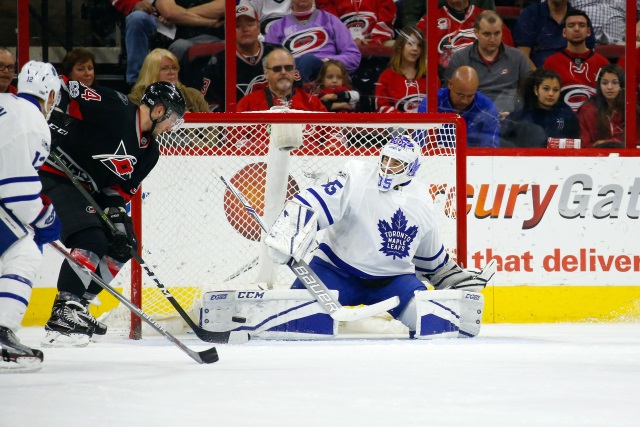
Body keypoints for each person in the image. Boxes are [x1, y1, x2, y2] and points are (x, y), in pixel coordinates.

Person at [262, 136, 494, 338]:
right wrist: (291, 227)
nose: (387, 167)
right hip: (334, 272)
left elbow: (430, 259)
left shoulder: (422, 201)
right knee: (295, 325)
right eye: (385, 159)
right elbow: (319, 199)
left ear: (410, 168)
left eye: (396, 163)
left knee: (432, 322)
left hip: (393, 281)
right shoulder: (357, 176)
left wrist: (451, 278)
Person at [40, 81, 186, 347]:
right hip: (54, 173)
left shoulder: (150, 152)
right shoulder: (117, 107)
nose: (171, 126)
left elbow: (119, 191)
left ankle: (78, 306)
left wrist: (118, 215)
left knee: (124, 245)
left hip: (88, 189)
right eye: (173, 119)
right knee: (91, 238)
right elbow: (65, 88)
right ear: (159, 110)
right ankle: (64, 308)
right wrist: (46, 121)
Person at [0, 61, 62, 372]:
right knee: (24, 251)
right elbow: (17, 193)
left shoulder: (4, 103)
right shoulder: (34, 123)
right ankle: (1, 334)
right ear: (50, 95)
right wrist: (45, 218)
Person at [111, 0, 222, 85]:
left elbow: (224, 7)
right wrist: (210, 21)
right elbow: (169, 12)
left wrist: (181, 14)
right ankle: (138, 84)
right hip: (176, 33)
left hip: (217, 35)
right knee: (137, 18)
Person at [444, 10, 531, 116]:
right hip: (474, 119)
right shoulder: (460, 58)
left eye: (497, 33)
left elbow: (529, 92)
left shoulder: (518, 57)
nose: (492, 39)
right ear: (476, 33)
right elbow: (448, 94)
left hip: (511, 118)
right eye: (487, 34)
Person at [201, 4, 280, 111]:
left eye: (250, 24)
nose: (245, 29)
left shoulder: (278, 54)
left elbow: (296, 91)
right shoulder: (218, 63)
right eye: (238, 26)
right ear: (228, 30)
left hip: (276, 120)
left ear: (258, 28)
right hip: (235, 124)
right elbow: (210, 106)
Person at [264, 0, 361, 82]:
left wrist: (327, 63)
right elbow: (268, 62)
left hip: (327, 76)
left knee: (308, 60)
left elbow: (353, 55)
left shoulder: (330, 20)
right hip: (293, 72)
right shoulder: (277, 27)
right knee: (306, 60)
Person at [415, 0, 514, 74]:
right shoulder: (428, 21)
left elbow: (508, 55)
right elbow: (415, 56)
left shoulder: (489, 19)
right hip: (447, 80)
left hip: (487, 78)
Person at [542, 9, 609, 112]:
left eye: (581, 25)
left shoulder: (603, 63)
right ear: (564, 32)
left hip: (593, 120)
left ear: (588, 32)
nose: (576, 29)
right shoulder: (551, 62)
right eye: (571, 25)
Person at [419, 66, 500, 147]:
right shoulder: (430, 104)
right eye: (460, 95)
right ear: (450, 84)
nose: (464, 101)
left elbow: (490, 151)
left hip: (472, 158)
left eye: (470, 96)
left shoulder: (487, 109)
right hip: (435, 157)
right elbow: (420, 145)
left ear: (476, 90)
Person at [501, 68, 580, 147]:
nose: (551, 94)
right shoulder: (521, 115)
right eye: (546, 89)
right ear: (536, 90)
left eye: (555, 90)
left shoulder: (567, 114)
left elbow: (576, 142)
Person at [236, 48, 327, 112]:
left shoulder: (313, 102)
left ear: (295, 71)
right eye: (277, 69)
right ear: (266, 73)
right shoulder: (247, 103)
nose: (283, 72)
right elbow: (234, 137)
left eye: (288, 67)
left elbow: (333, 134)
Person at [513, 0, 596, 69]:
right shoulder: (529, 14)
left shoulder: (580, 18)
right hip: (539, 78)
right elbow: (523, 54)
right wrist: (539, 79)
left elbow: (588, 55)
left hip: (572, 78)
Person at [129, 48, 209, 112]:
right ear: (151, 72)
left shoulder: (194, 96)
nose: (171, 72)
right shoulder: (136, 99)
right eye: (165, 68)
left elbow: (212, 129)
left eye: (174, 68)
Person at [374, 26, 426, 113]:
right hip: (396, 126)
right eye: (410, 43)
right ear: (400, 46)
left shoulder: (430, 77)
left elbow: (438, 106)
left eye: (419, 45)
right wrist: (403, 120)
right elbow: (381, 107)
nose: (415, 48)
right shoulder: (387, 76)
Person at [576, 63, 630, 148]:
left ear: (622, 85)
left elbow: (636, 143)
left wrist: (608, 143)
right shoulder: (587, 111)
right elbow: (584, 146)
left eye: (614, 83)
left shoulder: (631, 110)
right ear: (599, 85)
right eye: (605, 83)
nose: (609, 87)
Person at [316, 0, 397, 46]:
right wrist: (348, 40)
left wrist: (375, 41)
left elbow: (387, 18)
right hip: (342, 43)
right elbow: (330, 20)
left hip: (378, 40)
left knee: (399, 47)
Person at [403, 0, 495, 27]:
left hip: (473, 38)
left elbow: (491, 20)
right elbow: (409, 17)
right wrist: (420, 35)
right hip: (432, 38)